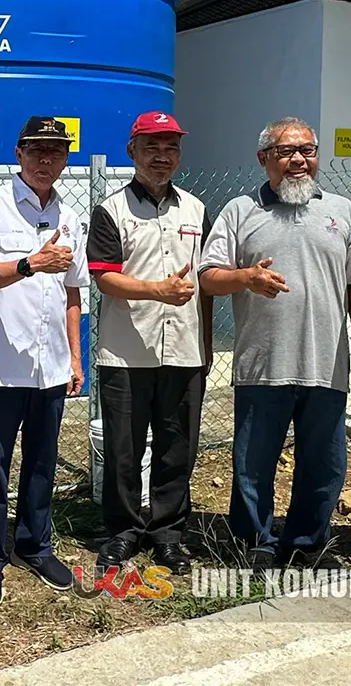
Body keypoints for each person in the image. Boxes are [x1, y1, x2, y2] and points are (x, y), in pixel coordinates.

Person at [199, 117, 351, 569]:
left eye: (307, 150)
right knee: (254, 461)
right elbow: (209, 278)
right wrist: (246, 278)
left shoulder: (342, 211)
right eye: (285, 152)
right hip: (263, 362)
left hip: (326, 361)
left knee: (325, 462)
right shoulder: (240, 211)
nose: (299, 160)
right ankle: (253, 541)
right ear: (263, 160)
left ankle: (306, 543)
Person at [0, 116, 89, 607]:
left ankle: (34, 544)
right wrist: (30, 262)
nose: (44, 160)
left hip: (51, 366)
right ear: (18, 153)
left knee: (42, 461)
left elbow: (72, 291)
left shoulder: (68, 215)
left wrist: (75, 357)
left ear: (64, 159)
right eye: (36, 150)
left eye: (55, 152)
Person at [86, 111, 210, 576]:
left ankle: (168, 533)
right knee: (124, 446)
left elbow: (204, 280)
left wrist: (206, 345)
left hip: (184, 349)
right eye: (152, 147)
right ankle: (122, 531)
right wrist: (158, 290)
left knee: (177, 446)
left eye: (171, 147)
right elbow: (105, 280)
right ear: (131, 151)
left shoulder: (195, 209)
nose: (162, 157)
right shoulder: (111, 210)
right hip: (126, 352)